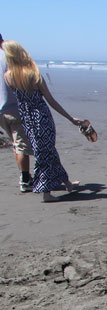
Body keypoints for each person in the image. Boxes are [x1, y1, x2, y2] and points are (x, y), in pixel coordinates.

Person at [3, 40, 87, 202]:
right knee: (44, 154)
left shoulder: (8, 77)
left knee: (48, 151)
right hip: (41, 117)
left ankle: (67, 183)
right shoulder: (33, 75)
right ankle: (46, 193)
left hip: (27, 119)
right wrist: (70, 118)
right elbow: (51, 100)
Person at [0, 33, 34, 192]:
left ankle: (24, 176)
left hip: (1, 110)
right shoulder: (8, 57)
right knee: (21, 144)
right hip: (13, 106)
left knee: (16, 143)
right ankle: (25, 179)